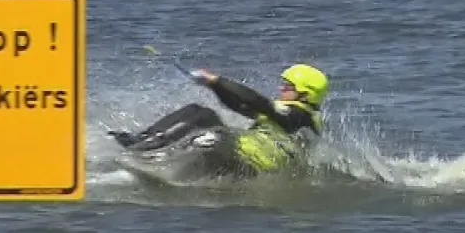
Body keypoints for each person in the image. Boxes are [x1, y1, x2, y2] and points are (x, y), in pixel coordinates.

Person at [110, 63, 330, 174]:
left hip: (245, 166)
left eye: (288, 87)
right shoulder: (288, 113)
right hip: (237, 157)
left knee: (213, 133)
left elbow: (256, 101)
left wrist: (216, 80)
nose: (282, 89)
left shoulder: (302, 117)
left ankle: (150, 155)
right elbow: (239, 105)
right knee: (199, 112)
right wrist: (214, 86)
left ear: (305, 93)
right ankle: (144, 141)